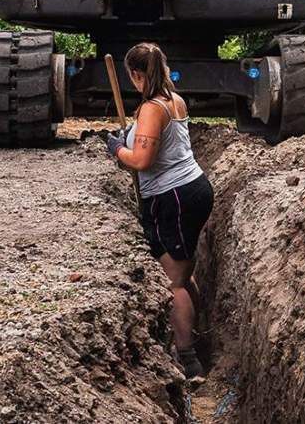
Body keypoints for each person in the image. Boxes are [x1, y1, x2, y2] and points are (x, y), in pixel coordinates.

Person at [106, 42, 213, 384]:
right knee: (184, 271)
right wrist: (131, 137)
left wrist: (117, 148)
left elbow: (141, 160)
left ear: (136, 74)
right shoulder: (174, 100)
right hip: (190, 190)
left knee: (174, 282)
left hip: (175, 197)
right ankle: (201, 337)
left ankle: (189, 362)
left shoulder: (153, 108)